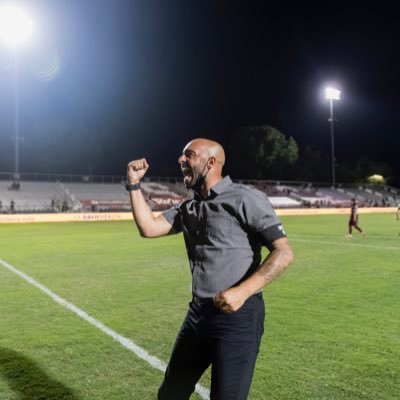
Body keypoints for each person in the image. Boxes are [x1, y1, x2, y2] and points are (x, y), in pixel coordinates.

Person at [126, 138, 294, 399]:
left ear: (211, 163)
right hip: (197, 316)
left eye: (189, 155)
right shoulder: (188, 207)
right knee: (170, 393)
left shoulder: (245, 199)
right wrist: (134, 184)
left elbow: (283, 252)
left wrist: (242, 292)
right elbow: (148, 227)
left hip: (237, 320)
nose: (181, 160)